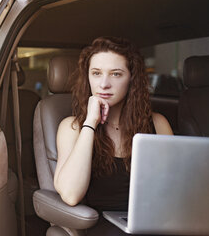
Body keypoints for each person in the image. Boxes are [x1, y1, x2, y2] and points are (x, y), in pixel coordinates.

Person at [54, 37, 173, 234]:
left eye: (116, 74)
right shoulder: (72, 128)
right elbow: (71, 195)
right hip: (104, 228)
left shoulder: (158, 124)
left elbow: (174, 188)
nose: (104, 84)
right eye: (96, 73)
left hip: (154, 223)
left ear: (132, 79)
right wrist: (90, 122)